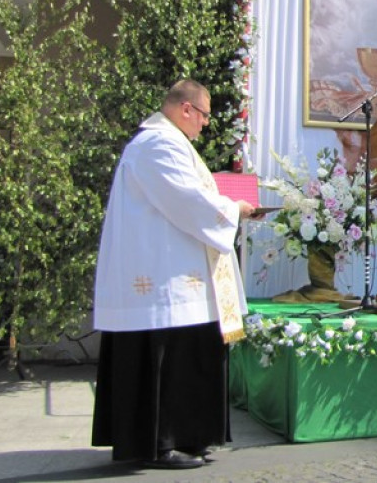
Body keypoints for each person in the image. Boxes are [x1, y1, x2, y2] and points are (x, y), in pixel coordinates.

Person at [91, 80, 260, 469]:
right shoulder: (158, 144)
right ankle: (161, 443)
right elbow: (188, 200)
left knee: (189, 356)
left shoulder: (170, 142)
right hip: (162, 280)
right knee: (168, 361)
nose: (204, 124)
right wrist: (234, 209)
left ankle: (189, 436)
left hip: (179, 275)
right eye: (203, 115)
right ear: (186, 109)